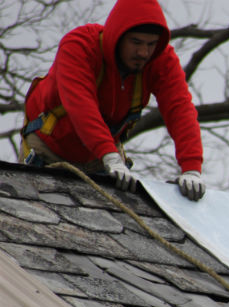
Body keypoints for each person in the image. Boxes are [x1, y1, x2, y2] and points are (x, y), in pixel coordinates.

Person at [19, 0, 206, 201]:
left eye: (151, 44)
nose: (143, 53)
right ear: (117, 36)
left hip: (103, 159)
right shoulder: (79, 46)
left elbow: (180, 109)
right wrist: (109, 155)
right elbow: (81, 106)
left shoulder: (161, 60)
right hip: (49, 150)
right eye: (136, 42)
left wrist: (192, 168)